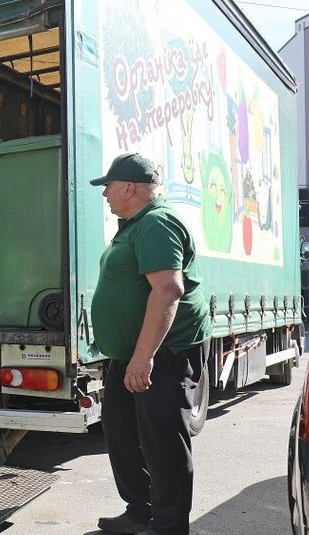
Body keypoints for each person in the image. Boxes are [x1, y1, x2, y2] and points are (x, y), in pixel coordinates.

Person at [89, 153, 212, 535]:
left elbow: (167, 290)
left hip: (165, 352)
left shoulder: (157, 222)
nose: (105, 194)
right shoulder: (134, 225)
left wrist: (143, 359)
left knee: (162, 438)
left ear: (129, 187)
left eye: (108, 186)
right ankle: (140, 511)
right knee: (121, 428)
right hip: (133, 353)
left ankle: (169, 525)